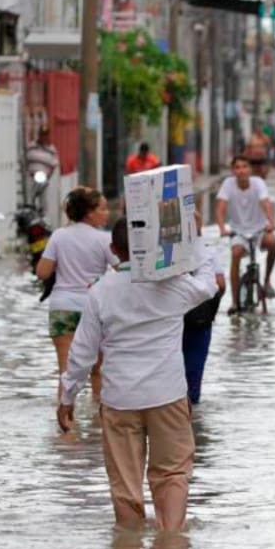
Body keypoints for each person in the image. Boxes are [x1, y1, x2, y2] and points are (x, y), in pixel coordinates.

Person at [57, 218, 218, 531]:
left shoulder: (101, 292)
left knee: (125, 485)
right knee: (172, 474)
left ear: (114, 250)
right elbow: (208, 285)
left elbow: (83, 353)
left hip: (120, 399)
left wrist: (67, 397)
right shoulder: (173, 284)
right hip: (167, 395)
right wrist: (196, 239)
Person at [37, 186, 116, 403]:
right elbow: (122, 268)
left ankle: (66, 429)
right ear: (89, 213)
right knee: (98, 369)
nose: (107, 213)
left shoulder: (59, 236)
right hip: (94, 308)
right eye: (103, 208)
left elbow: (43, 271)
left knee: (66, 370)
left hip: (62, 307)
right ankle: (98, 424)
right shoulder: (104, 239)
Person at [215, 155, 275, 315]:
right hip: (239, 232)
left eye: (244, 167)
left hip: (259, 230)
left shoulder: (258, 183)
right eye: (237, 167)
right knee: (235, 254)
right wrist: (222, 228)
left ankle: (267, 280)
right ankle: (235, 301)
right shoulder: (228, 184)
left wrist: (271, 223)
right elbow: (220, 208)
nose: (241, 171)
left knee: (272, 242)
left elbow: (266, 203)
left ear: (250, 169)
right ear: (233, 171)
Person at [181, 226, 227, 405]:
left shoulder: (159, 252)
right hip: (198, 321)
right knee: (193, 377)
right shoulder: (207, 251)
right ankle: (194, 426)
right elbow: (220, 285)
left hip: (167, 322)